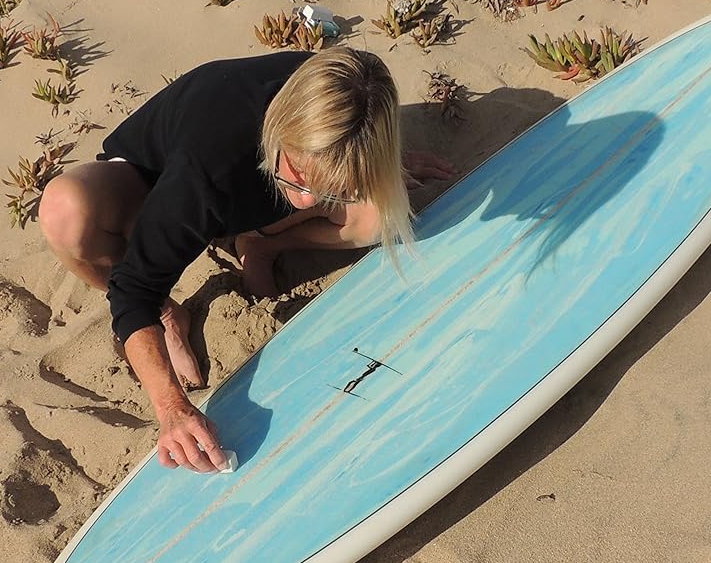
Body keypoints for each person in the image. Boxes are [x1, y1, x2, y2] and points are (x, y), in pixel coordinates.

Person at [38, 47, 453, 474]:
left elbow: (351, 138)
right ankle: (168, 313)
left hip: (251, 189)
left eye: (327, 186)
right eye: (301, 176)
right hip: (153, 185)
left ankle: (264, 244)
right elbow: (131, 291)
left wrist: (378, 167)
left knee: (382, 214)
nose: (307, 199)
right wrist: (172, 409)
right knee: (65, 213)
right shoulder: (207, 168)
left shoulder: (348, 88)